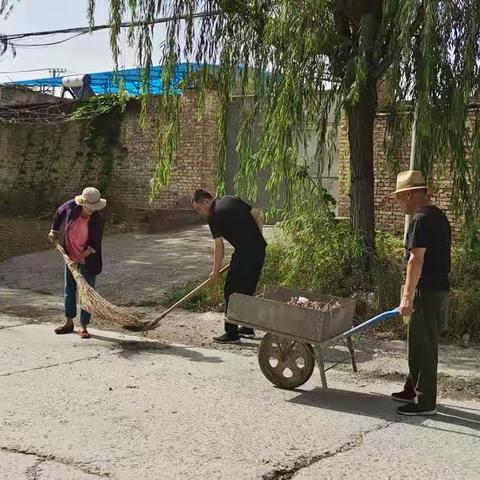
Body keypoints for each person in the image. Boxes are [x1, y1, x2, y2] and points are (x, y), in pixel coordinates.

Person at [388, 170, 451, 416]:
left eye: (400, 197)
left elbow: (416, 259)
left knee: (423, 346)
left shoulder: (420, 219)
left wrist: (407, 297)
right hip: (438, 288)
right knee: (417, 342)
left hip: (425, 290)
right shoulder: (438, 216)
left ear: (411, 194)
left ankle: (425, 402)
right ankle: (411, 388)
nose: (398, 203)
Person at [192, 190, 267, 343]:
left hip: (245, 253)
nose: (200, 213)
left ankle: (231, 334)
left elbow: (219, 246)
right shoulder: (231, 198)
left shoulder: (213, 215)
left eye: (198, 209)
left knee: (230, 292)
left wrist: (215, 271)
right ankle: (247, 328)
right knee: (246, 290)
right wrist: (258, 239)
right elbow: (256, 214)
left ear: (206, 201)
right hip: (259, 249)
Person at [48, 187, 106, 339]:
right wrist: (54, 230)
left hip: (88, 259)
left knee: (87, 293)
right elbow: (59, 214)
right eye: (89, 207)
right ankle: (69, 322)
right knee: (69, 289)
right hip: (70, 254)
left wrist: (83, 256)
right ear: (82, 203)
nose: (91, 210)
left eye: (94, 207)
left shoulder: (97, 219)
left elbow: (95, 243)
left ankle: (84, 326)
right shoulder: (70, 207)